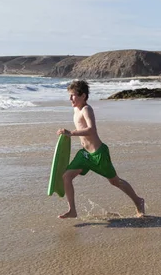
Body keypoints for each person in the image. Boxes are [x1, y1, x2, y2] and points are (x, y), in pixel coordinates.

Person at [56, 80, 145, 219]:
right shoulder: (75, 109)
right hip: (85, 154)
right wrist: (67, 136)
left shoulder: (87, 109)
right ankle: (72, 210)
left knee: (115, 181)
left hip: (98, 154)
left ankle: (138, 201)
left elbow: (91, 130)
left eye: (73, 95)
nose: (70, 99)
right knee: (66, 176)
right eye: (70, 95)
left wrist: (71, 133)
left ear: (83, 96)